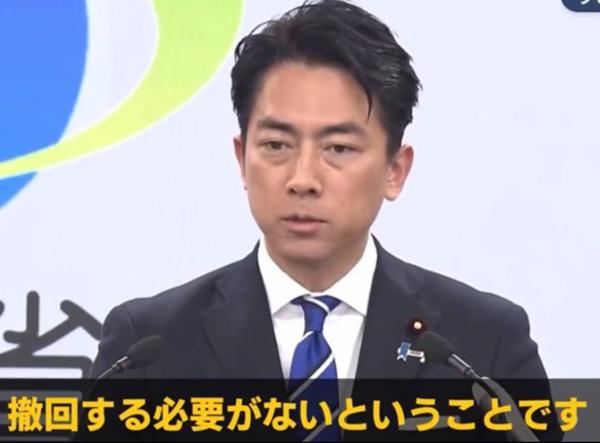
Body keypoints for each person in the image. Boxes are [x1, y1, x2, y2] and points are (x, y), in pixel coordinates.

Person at [89, 1, 561, 440]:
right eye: (276, 145)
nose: (303, 179)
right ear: (242, 159)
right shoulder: (149, 345)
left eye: (338, 148)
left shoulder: (482, 341)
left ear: (395, 170)